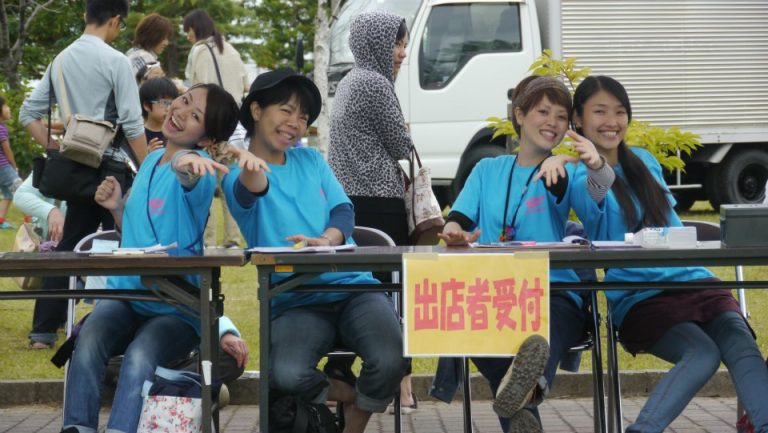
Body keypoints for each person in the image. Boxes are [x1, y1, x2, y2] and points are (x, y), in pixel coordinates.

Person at [570, 75, 768, 433]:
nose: (611, 121)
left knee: (741, 343)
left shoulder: (644, 161)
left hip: (694, 280)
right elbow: (596, 196)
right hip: (640, 296)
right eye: (599, 111)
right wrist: (597, 166)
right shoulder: (576, 174)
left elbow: (668, 224)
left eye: (620, 111)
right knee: (702, 353)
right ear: (578, 120)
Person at [221, 68, 407, 433]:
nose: (296, 123)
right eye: (286, 110)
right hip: (295, 299)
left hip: (355, 288)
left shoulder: (312, 161)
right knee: (286, 375)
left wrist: (328, 239)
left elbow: (343, 211)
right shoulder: (236, 175)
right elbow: (252, 189)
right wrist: (250, 166)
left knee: (392, 359)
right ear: (256, 110)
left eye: (303, 116)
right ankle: (348, 394)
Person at [436, 75, 615, 433]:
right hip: (492, 292)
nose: (553, 122)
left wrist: (596, 165)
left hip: (552, 291)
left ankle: (527, 386)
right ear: (519, 115)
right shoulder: (486, 170)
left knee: (539, 339)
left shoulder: (562, 171)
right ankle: (529, 391)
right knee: (464, 324)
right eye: (543, 112)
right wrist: (454, 234)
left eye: (561, 116)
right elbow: (459, 219)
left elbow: (596, 203)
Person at [60, 83, 240, 433]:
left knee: (140, 354)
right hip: (127, 295)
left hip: (175, 306)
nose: (180, 112)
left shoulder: (200, 171)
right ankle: (77, 428)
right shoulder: (150, 162)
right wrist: (117, 208)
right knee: (89, 339)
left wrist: (187, 162)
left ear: (206, 139)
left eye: (195, 115)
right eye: (184, 101)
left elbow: (187, 174)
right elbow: (135, 235)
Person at [19, 0, 148, 350]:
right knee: (125, 241)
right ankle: (127, 321)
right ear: (116, 21)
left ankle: (43, 330)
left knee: (69, 246)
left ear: (85, 16)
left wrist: (58, 147)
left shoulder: (60, 59)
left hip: (76, 169)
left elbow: (28, 113)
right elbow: (132, 123)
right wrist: (150, 167)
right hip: (111, 168)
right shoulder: (116, 61)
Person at [328, 11, 413, 246]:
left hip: (347, 199)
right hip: (380, 201)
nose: (402, 53)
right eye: (396, 44)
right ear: (375, 42)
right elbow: (401, 147)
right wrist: (407, 133)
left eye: (404, 45)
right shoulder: (376, 83)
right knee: (392, 267)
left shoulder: (348, 81)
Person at [183, 8, 248, 249]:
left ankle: (207, 241)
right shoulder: (231, 49)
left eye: (188, 30)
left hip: (208, 129)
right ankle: (233, 240)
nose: (188, 36)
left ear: (195, 28)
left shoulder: (199, 50)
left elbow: (193, 89)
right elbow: (245, 85)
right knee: (230, 186)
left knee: (206, 186)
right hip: (234, 129)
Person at [125, 12, 172, 77]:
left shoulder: (131, 52)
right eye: (163, 38)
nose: (166, 43)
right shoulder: (146, 59)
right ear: (153, 36)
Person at [139, 76, 178, 152]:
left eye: (172, 103)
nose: (169, 108)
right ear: (146, 105)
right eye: (164, 103)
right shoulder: (139, 135)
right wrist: (147, 153)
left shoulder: (175, 132)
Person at [0, 95, 21, 229]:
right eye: (6, 106)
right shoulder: (1, 128)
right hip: (3, 166)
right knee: (21, 190)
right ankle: (32, 219)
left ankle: (0, 221)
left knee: (8, 194)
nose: (9, 109)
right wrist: (14, 166)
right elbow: (7, 150)